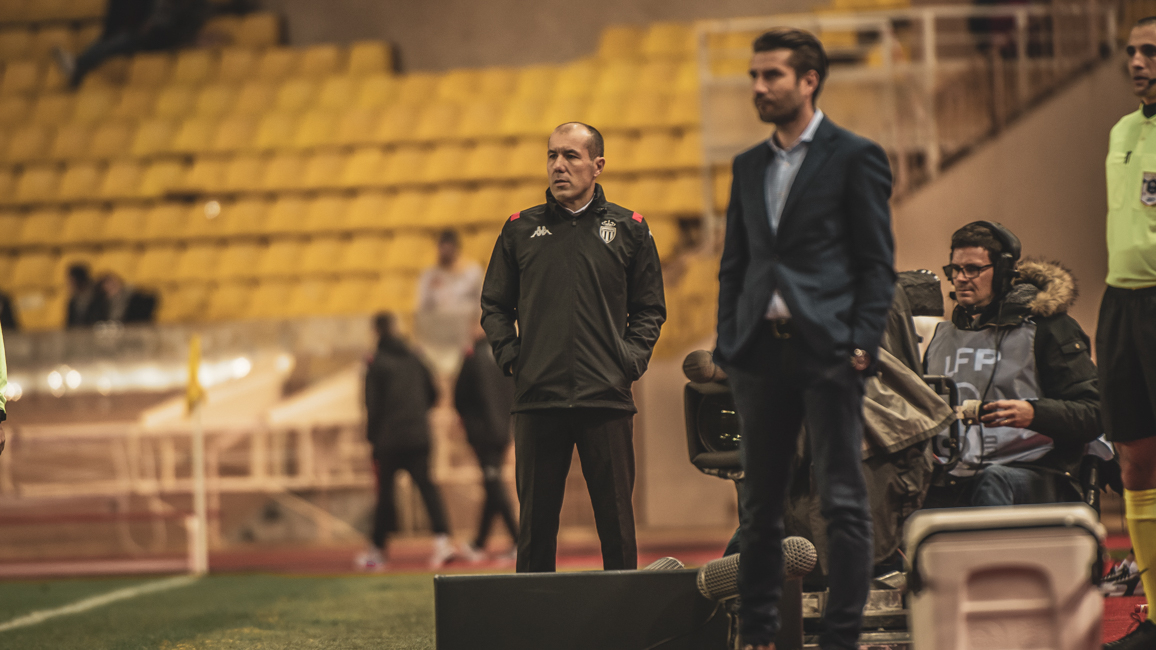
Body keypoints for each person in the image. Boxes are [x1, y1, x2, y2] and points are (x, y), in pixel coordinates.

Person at [713, 29, 895, 650]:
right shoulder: (748, 165)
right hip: (759, 354)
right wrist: (729, 343)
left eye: (772, 75)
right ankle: (760, 635)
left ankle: (841, 637)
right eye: (754, 75)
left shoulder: (855, 156)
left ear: (809, 80)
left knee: (841, 500)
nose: (759, 87)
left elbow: (877, 265)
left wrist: (862, 343)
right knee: (759, 507)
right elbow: (735, 265)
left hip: (829, 351)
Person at [481, 122, 666, 573]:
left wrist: (629, 361)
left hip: (606, 397)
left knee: (617, 525)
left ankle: (622, 613)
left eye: (570, 156)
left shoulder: (630, 229)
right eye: (552, 156)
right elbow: (494, 305)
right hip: (537, 399)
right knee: (535, 529)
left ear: (597, 165)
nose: (558, 166)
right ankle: (534, 614)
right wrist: (514, 359)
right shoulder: (519, 230)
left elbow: (649, 309)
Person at [922, 222, 1100, 507]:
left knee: (993, 481)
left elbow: (1094, 413)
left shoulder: (1049, 329)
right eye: (955, 269)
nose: (960, 278)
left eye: (973, 269)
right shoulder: (941, 336)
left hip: (1034, 472)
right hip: (952, 473)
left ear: (1004, 272)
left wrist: (1034, 413)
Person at [1101, 16, 1156, 648]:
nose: (1137, 61)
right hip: (1122, 302)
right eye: (1132, 52)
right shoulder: (1121, 130)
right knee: (1136, 461)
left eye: (1150, 52)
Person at [357, 312, 459, 570]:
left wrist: (372, 439)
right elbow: (435, 392)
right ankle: (443, 542)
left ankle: (378, 551)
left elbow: (372, 406)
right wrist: (417, 414)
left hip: (389, 439)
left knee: (385, 495)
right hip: (418, 435)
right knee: (428, 488)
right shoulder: (416, 357)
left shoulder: (376, 362)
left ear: (375, 331)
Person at [454, 326, 518, 560]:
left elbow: (459, 396)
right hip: (504, 430)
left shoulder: (472, 357)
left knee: (494, 484)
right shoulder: (506, 356)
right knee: (492, 483)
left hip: (483, 433)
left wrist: (470, 425)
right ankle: (479, 543)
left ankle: (519, 540)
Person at [53, 0, 209, 90]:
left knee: (121, 40)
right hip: (150, 36)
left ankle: (79, 65)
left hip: (165, 39)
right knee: (118, 39)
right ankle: (79, 66)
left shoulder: (194, 6)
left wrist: (188, 39)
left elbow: (176, 23)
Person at [415, 229, 484, 358]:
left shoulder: (472, 272)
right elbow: (422, 308)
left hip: (465, 331)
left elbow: (480, 302)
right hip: (439, 332)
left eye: (449, 250)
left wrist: (479, 325)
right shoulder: (429, 275)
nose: (445, 254)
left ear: (456, 249)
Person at [66, 263, 106, 328]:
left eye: (71, 281)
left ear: (79, 280)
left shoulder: (97, 298)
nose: (69, 285)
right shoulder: (73, 301)